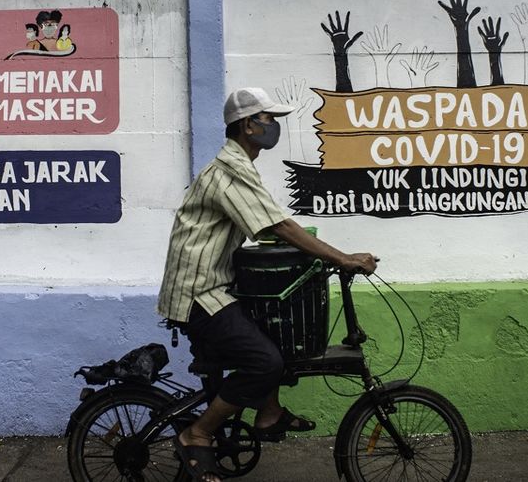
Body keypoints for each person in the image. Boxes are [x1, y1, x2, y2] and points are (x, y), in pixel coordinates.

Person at [158, 87, 377, 482]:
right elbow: (278, 224)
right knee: (265, 361)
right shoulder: (229, 172)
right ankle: (198, 433)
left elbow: (269, 225)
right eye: (269, 119)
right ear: (248, 125)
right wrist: (341, 257)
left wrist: (311, 248)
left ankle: (269, 413)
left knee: (275, 333)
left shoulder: (239, 166)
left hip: (213, 288)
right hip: (198, 295)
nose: (274, 126)